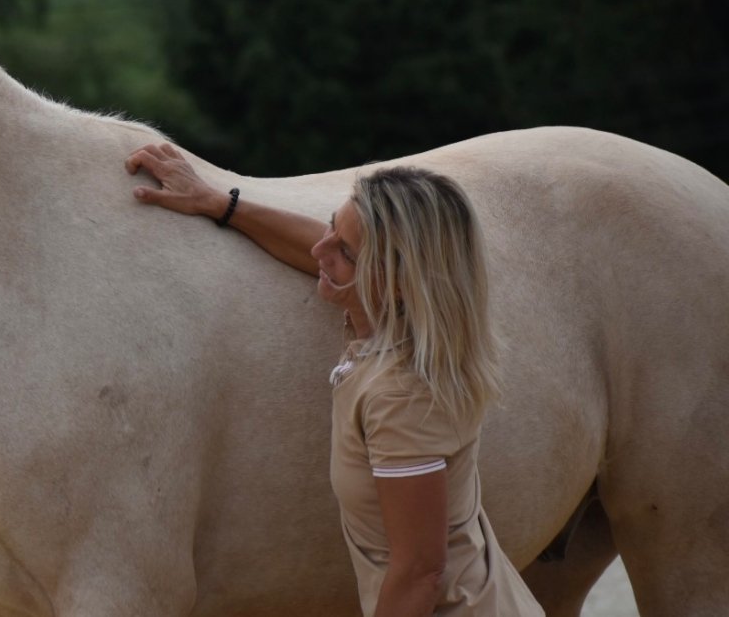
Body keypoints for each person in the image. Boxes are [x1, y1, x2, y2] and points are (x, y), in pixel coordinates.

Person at [124, 143, 544, 617]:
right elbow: (327, 249)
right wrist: (221, 204)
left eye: (344, 251)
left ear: (400, 282)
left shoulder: (400, 397)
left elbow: (420, 572)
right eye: (330, 226)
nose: (318, 250)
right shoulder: (392, 324)